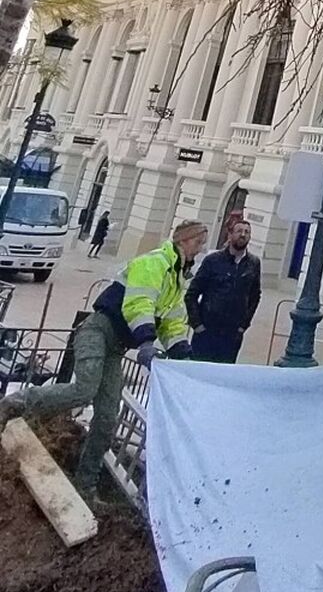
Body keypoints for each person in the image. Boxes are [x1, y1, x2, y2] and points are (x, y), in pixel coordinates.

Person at [0, 219, 207, 498]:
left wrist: (184, 356)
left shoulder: (177, 279)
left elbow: (173, 324)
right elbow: (138, 304)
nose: (201, 248)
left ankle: (85, 485)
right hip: (97, 331)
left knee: (108, 417)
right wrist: (146, 341)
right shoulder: (155, 263)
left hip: (115, 348)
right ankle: (17, 402)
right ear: (183, 240)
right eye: (198, 241)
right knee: (85, 388)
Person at [186, 211, 261, 364]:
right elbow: (192, 294)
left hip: (232, 334)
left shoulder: (253, 263)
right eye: (239, 231)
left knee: (223, 371)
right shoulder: (213, 261)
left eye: (247, 232)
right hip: (207, 330)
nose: (243, 235)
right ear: (230, 234)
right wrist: (197, 324)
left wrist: (243, 325)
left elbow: (255, 296)